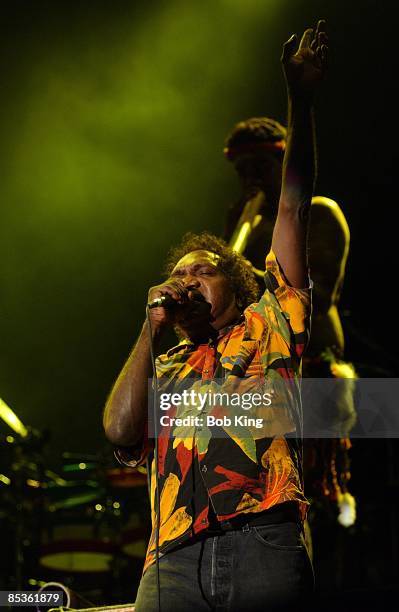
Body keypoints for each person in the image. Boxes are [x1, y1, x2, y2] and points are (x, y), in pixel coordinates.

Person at [103, 20, 328, 611]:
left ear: (238, 282)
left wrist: (299, 100)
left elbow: (294, 200)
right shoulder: (168, 363)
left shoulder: (271, 321)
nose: (185, 280)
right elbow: (120, 433)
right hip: (170, 560)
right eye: (177, 274)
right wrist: (149, 330)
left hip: (263, 543)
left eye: (200, 271)